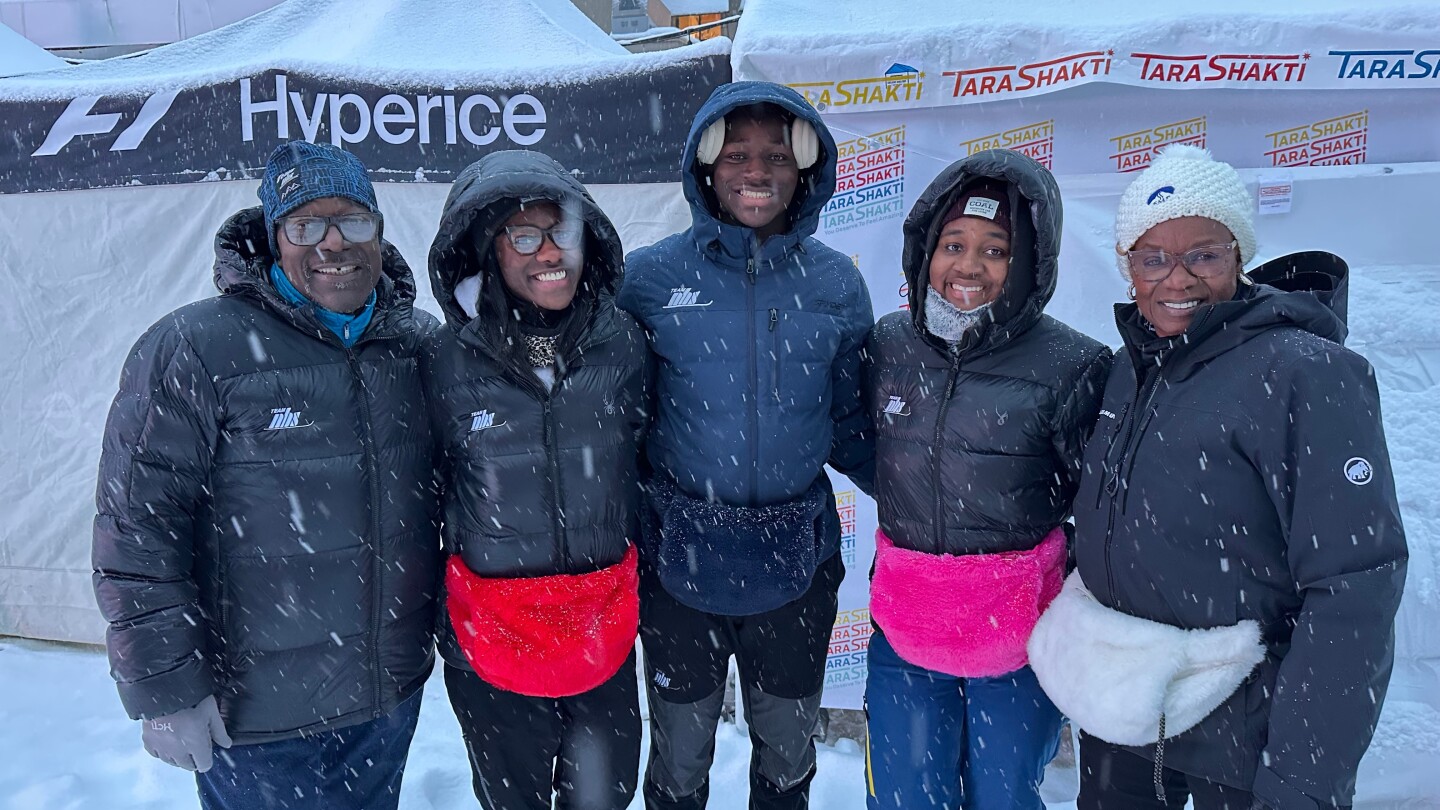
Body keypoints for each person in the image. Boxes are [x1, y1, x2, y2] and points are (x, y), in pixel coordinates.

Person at [1028, 144, 1408, 810]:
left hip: (1243, 741)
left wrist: (1304, 779)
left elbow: (1354, 583)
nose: (1176, 279)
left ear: (1239, 256)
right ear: (1129, 269)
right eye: (1152, 258)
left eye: (1203, 254)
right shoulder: (1128, 369)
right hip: (1127, 718)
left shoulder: (1306, 373)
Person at [91, 140, 440, 809]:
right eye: (306, 225)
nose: (333, 243)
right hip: (256, 719)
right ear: (275, 238)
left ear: (378, 229)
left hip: (385, 698)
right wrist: (165, 689)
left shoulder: (416, 345)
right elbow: (137, 528)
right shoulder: (196, 348)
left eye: (353, 220)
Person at [617, 81, 874, 810]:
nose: (756, 171)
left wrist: (932, 503)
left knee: (788, 761)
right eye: (736, 155)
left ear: (805, 169)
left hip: (797, 563)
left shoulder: (835, 284)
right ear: (705, 167)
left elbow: (854, 423)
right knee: (679, 763)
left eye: (775, 156)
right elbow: (615, 419)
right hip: (680, 562)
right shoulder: (650, 278)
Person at [863, 149, 1112, 810]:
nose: (968, 266)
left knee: (1004, 798)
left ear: (1029, 262)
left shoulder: (1074, 364)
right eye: (953, 244)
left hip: (1020, 634)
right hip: (907, 628)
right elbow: (867, 453)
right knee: (905, 798)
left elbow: (1089, 497)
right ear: (925, 252)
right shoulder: (887, 345)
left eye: (995, 250)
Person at [423, 150, 649, 810]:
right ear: (487, 250)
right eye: (523, 236)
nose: (549, 252)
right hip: (493, 640)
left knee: (603, 798)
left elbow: (645, 461)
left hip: (599, 636)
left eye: (561, 232)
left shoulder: (622, 343)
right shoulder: (441, 361)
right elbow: (422, 494)